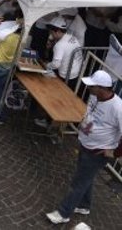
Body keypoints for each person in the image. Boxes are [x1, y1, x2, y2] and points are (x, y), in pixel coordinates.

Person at [45, 70, 122, 225]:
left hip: (98, 152)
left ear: (102, 88)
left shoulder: (118, 108)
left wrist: (115, 153)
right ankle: (84, 205)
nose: (89, 88)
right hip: (86, 143)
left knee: (78, 183)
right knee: (86, 178)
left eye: (92, 86)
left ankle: (64, 213)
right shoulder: (95, 96)